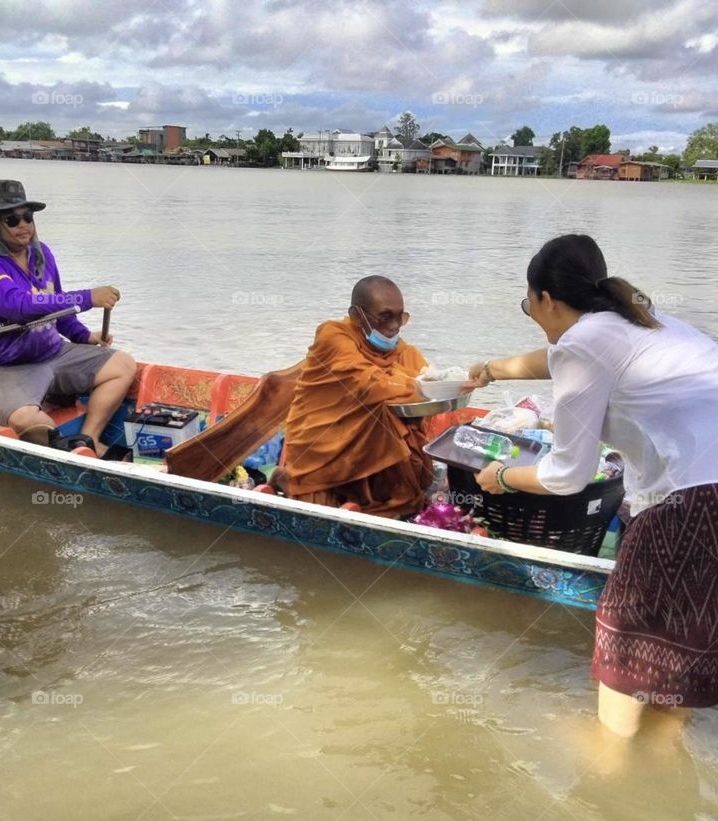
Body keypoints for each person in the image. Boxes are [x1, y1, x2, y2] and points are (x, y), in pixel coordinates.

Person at [467, 233, 718, 738]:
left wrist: (500, 477)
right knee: (681, 634)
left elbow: (567, 477)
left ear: (545, 299)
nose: (532, 315)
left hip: (687, 501)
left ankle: (610, 759)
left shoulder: (584, 343)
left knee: (624, 636)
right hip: (705, 489)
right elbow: (558, 358)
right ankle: (665, 753)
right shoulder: (645, 321)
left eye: (527, 304)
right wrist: (492, 370)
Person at [0, 179, 136, 453]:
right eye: (12, 220)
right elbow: (16, 305)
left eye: (27, 217)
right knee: (29, 421)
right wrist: (88, 298)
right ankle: (63, 454)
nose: (24, 225)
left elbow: (55, 306)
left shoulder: (42, 253)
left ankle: (89, 440)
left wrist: (83, 335)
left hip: (51, 353)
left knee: (122, 365)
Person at [281, 275, 433, 516]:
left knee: (398, 427)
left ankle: (388, 503)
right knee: (381, 411)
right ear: (356, 315)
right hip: (323, 448)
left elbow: (426, 376)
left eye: (400, 317)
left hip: (373, 456)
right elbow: (369, 383)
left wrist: (454, 383)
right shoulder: (332, 336)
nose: (394, 326)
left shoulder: (403, 352)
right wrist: (424, 388)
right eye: (385, 317)